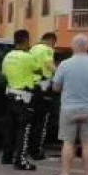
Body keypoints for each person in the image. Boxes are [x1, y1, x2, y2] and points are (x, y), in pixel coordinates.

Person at [51, 34, 88, 175]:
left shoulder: (65, 64)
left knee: (68, 143)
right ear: (87, 47)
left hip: (69, 108)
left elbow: (55, 87)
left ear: (73, 46)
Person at [1, 29, 42, 171]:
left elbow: (4, 73)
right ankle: (20, 160)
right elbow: (39, 70)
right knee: (23, 129)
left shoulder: (7, 56)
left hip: (10, 95)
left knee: (10, 128)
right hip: (24, 98)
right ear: (25, 40)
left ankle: (7, 156)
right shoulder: (27, 57)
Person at [28, 32, 58, 160]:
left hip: (30, 87)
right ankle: (37, 151)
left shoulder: (33, 48)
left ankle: (28, 148)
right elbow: (49, 65)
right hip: (43, 88)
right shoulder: (47, 49)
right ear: (51, 41)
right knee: (41, 122)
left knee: (31, 120)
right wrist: (61, 72)